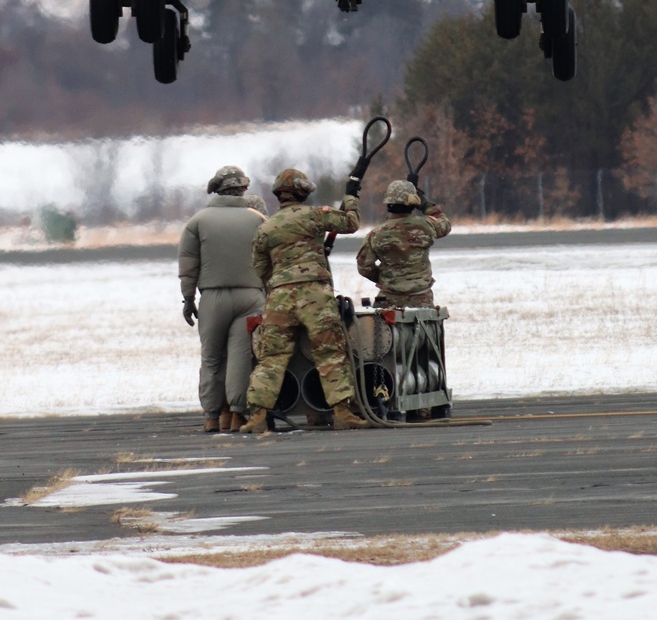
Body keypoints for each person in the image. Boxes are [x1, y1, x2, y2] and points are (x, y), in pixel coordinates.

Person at [240, 167, 367, 434]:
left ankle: (257, 417)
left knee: (271, 358)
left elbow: (260, 268)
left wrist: (280, 282)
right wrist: (352, 198)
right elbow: (350, 223)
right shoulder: (314, 216)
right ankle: (343, 412)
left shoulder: (266, 228)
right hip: (315, 296)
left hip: (279, 297)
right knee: (330, 352)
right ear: (302, 192)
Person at [178, 165, 266, 433]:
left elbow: (189, 263)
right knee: (241, 356)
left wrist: (188, 298)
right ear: (242, 189)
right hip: (251, 296)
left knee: (212, 358)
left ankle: (212, 416)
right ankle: (238, 415)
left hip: (213, 297)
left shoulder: (197, 222)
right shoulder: (259, 220)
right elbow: (270, 261)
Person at [356, 179, 452, 308]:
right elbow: (445, 224)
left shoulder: (376, 234)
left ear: (388, 203)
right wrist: (425, 204)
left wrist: (388, 278)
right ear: (413, 203)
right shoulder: (427, 226)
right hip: (421, 297)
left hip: (389, 298)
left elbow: (364, 267)